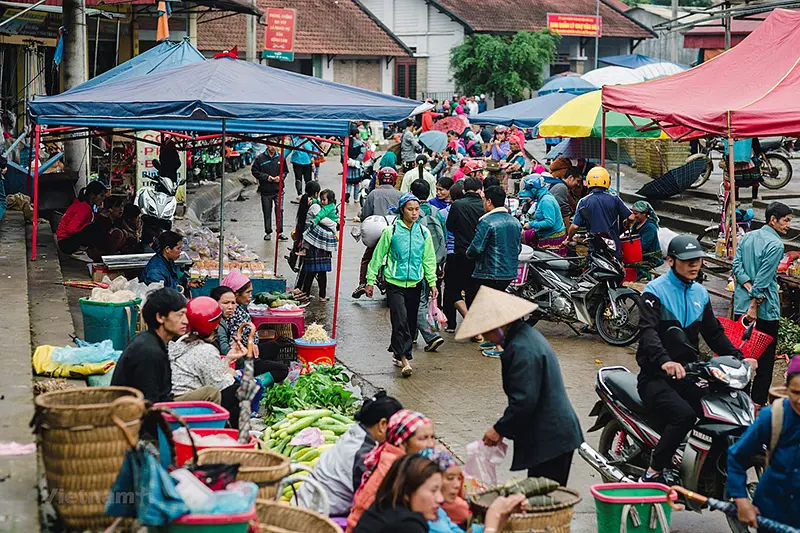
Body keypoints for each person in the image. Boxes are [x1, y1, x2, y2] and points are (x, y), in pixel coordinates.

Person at [637, 235, 756, 484]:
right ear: (671, 261)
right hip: (656, 376)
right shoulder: (654, 292)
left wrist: (740, 358)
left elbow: (714, 334)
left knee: (717, 409)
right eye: (687, 260)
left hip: (689, 373)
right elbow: (648, 332)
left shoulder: (700, 294)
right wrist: (664, 361)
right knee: (684, 415)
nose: (694, 265)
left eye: (698, 260)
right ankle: (654, 470)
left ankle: (702, 468)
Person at [457, 287, 583, 485]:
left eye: (486, 330)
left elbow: (524, 401)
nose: (487, 337)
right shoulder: (524, 338)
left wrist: (499, 429)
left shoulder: (521, 348)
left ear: (500, 324)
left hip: (551, 437)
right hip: (553, 436)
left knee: (546, 504)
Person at [355, 451, 526, 533]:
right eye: (433, 490)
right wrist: (492, 521)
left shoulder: (387, 508)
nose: (439, 499)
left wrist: (502, 517)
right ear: (407, 492)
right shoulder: (406, 525)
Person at [296, 391, 404, 516]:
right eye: (397, 427)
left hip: (305, 503)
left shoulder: (354, 433)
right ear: (382, 425)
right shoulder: (365, 453)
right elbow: (373, 499)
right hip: (317, 517)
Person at [366, 194, 438, 377]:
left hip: (415, 283)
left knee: (410, 323)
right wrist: (369, 280)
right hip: (393, 282)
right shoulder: (391, 232)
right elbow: (377, 256)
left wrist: (432, 282)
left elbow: (428, 259)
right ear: (402, 210)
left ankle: (397, 351)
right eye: (410, 209)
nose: (414, 213)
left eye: (416, 209)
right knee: (400, 319)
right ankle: (405, 359)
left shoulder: (424, 232)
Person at [728, 356, 800, 530]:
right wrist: (741, 500)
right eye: (796, 393)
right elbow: (736, 456)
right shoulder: (773, 416)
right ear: (786, 389)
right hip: (772, 510)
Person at [112, 288, 220, 404]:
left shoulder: (152, 341)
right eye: (180, 315)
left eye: (186, 315)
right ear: (160, 317)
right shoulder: (149, 352)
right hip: (131, 415)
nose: (186, 321)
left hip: (151, 407)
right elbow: (149, 404)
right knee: (212, 393)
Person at [732, 202, 791, 406]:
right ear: (772, 220)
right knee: (764, 363)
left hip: (740, 306)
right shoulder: (776, 245)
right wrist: (754, 303)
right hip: (763, 311)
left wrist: (747, 285)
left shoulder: (748, 236)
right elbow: (764, 278)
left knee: (741, 357)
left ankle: (738, 401)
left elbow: (736, 266)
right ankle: (756, 403)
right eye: (786, 220)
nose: (788, 225)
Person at [346, 409, 436, 532]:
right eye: (423, 438)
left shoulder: (388, 454)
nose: (430, 444)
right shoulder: (397, 469)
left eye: (432, 437)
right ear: (402, 443)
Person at [169, 296, 248, 426]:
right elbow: (220, 386)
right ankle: (232, 433)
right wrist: (230, 374)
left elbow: (208, 372)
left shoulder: (183, 340)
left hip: (175, 399)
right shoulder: (206, 350)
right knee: (238, 390)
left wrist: (227, 359)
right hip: (187, 404)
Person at [467, 186, 522, 357]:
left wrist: (468, 254)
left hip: (490, 271)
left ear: (489, 202)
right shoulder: (515, 222)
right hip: (509, 271)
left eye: (484, 200)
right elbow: (518, 248)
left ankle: (500, 347)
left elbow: (476, 248)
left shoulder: (487, 222)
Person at [219, 270, 290, 386]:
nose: (230, 307)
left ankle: (259, 372)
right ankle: (254, 384)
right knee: (282, 370)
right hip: (240, 359)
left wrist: (253, 344)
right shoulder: (226, 318)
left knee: (273, 346)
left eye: (232, 303)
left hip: (248, 352)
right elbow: (229, 348)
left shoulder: (239, 311)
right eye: (248, 292)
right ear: (236, 294)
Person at [354, 168, 403, 298]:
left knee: (367, 258)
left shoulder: (373, 194)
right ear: (394, 180)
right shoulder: (400, 195)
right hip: (394, 232)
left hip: (376, 232)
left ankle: (362, 283)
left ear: (379, 179)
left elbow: (365, 215)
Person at [410, 179, 446, 353]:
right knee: (426, 300)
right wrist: (441, 264)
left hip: (417, 264)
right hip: (435, 262)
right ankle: (413, 334)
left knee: (419, 302)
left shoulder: (409, 213)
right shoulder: (435, 211)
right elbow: (443, 237)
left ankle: (432, 336)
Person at [444, 177, 484, 331]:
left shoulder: (457, 206)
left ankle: (460, 323)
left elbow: (450, 226)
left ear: (464, 190)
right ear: (480, 189)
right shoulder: (484, 205)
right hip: (479, 256)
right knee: (473, 291)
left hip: (460, 253)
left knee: (453, 290)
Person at [567, 167, 632, 255]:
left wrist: (569, 238)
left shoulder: (583, 202)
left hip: (595, 247)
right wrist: (626, 223)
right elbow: (631, 217)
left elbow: (574, 227)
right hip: (613, 246)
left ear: (589, 181)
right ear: (607, 181)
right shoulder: (615, 199)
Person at [300, 189, 338, 300]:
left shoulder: (327, 209)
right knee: (318, 271)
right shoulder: (321, 206)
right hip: (321, 243)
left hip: (318, 243)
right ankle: (316, 295)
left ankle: (312, 294)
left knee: (314, 271)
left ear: (330, 200)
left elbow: (320, 217)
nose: (321, 201)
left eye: (323, 200)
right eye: (320, 199)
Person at [56, 180, 108, 255]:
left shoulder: (85, 206)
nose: (103, 199)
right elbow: (71, 229)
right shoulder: (84, 208)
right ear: (92, 195)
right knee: (95, 227)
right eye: (101, 195)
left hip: (66, 241)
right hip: (66, 244)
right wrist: (86, 227)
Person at [520, 175, 567, 256]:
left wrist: (531, 224)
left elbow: (549, 222)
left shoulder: (546, 201)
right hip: (545, 234)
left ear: (534, 189)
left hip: (552, 238)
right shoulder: (542, 199)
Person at [252, 144, 288, 241]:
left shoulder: (280, 158)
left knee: (279, 211)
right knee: (267, 212)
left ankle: (280, 232)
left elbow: (285, 171)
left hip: (278, 190)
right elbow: (254, 171)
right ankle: (268, 232)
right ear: (267, 145)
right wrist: (267, 177)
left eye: (274, 145)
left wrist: (280, 178)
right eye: (270, 145)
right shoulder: (260, 158)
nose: (272, 147)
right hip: (266, 191)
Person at [629, 200, 664, 271]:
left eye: (636, 214)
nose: (633, 216)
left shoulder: (650, 227)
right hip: (640, 254)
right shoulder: (636, 224)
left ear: (644, 214)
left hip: (650, 257)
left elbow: (643, 245)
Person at [289, 136, 316, 200]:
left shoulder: (310, 140)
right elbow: (288, 150)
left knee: (308, 180)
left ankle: (308, 195)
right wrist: (280, 158)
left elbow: (315, 148)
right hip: (297, 162)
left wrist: (313, 156)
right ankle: (300, 195)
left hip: (307, 163)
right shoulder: (294, 140)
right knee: (298, 180)